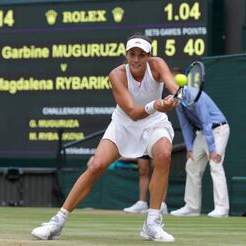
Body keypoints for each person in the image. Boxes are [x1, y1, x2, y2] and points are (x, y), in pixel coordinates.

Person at [31, 33, 179, 242]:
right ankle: (57, 222)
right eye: (132, 54)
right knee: (96, 166)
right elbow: (132, 112)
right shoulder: (116, 75)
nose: (136, 59)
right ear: (126, 54)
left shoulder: (157, 65)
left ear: (149, 56)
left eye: (141, 55)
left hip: (154, 123)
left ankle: (152, 223)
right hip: (124, 123)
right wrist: (156, 104)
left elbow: (173, 87)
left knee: (164, 154)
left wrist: (175, 97)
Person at [170, 85, 230, 218]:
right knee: (191, 166)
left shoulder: (196, 96)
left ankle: (222, 208)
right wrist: (190, 148)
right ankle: (192, 207)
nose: (170, 88)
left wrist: (212, 149)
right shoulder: (178, 101)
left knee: (215, 165)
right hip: (203, 133)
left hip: (218, 130)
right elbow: (185, 125)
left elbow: (206, 122)